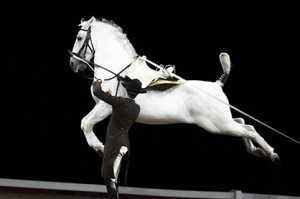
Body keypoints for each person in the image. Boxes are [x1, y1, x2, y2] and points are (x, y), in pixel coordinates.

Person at [92, 78, 147, 199]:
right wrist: (110, 97)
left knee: (109, 178)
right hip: (123, 143)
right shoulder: (136, 108)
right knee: (112, 178)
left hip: (115, 144)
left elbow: (97, 92)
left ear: (127, 91)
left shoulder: (120, 102)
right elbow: (119, 110)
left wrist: (98, 81)